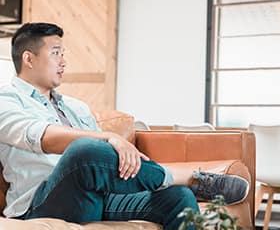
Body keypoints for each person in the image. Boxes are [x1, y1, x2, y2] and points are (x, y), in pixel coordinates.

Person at [0, 22, 249, 230]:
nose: (63, 61)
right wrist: (108, 137)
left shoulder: (75, 107)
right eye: (56, 53)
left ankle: (178, 184)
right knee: (85, 149)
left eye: (64, 54)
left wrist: (111, 144)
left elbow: (103, 161)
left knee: (179, 198)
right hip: (40, 203)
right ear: (29, 59)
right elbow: (40, 137)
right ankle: (180, 177)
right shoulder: (7, 100)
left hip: (97, 197)